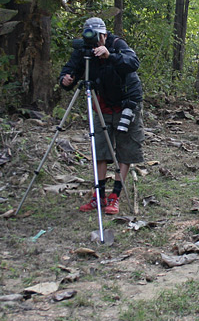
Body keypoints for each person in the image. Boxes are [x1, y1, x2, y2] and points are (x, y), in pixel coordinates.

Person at [59, 17, 143, 215]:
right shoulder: (83, 50)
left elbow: (133, 62)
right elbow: (71, 69)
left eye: (98, 38)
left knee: (126, 149)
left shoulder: (117, 44)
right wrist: (66, 79)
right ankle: (99, 196)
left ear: (105, 35)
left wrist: (110, 55)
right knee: (100, 150)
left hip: (126, 103)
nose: (95, 43)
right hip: (100, 105)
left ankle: (116, 195)